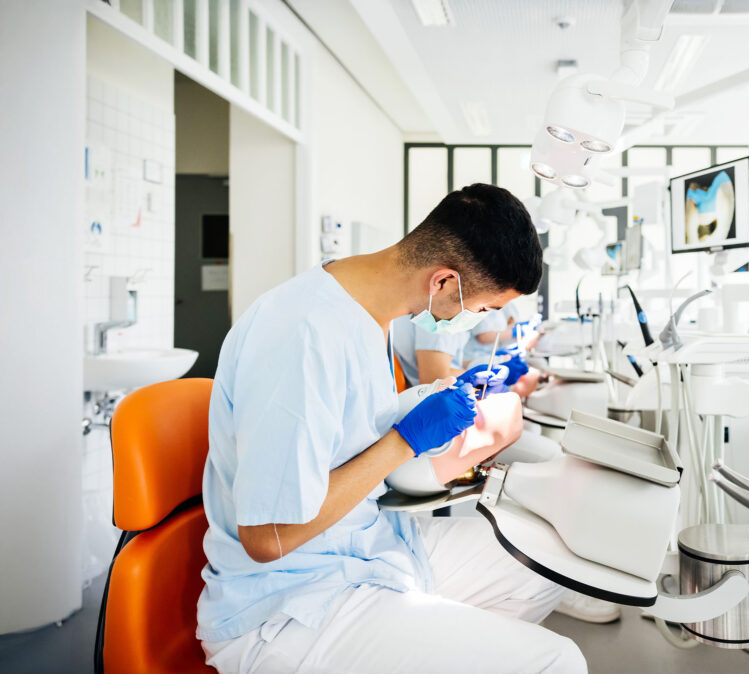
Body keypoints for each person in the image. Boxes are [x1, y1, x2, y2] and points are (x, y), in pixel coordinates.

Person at [197, 184, 586, 673]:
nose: (480, 321)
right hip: (291, 604)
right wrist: (405, 440)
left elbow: (348, 426)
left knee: (549, 562)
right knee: (557, 661)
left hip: (371, 546)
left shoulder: (368, 313)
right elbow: (269, 537)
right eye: (482, 308)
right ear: (443, 281)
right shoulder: (302, 333)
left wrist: (433, 400)